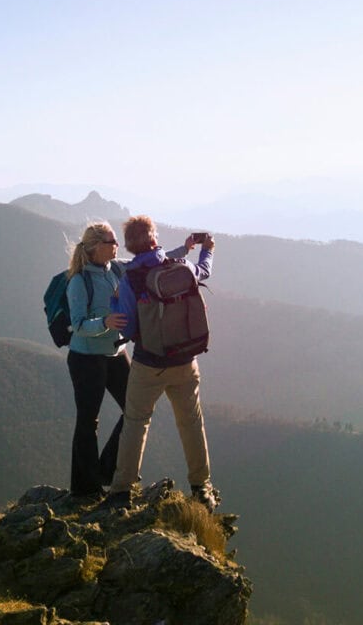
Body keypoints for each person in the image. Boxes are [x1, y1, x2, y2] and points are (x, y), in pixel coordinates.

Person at [106, 214, 221, 512]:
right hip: (185, 361)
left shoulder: (130, 278)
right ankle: (201, 488)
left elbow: (128, 329)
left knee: (135, 423)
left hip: (148, 364)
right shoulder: (180, 266)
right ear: (155, 237)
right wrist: (207, 250)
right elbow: (204, 271)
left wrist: (114, 302)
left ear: (130, 247)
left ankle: (121, 491)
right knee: (191, 423)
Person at [65, 221, 130, 500]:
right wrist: (105, 321)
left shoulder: (115, 269)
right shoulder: (79, 281)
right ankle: (84, 488)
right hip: (86, 358)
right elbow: (77, 324)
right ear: (95, 247)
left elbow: (146, 262)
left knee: (136, 411)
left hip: (116, 353)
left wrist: (185, 249)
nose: (117, 245)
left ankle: (106, 470)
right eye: (111, 241)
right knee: (88, 421)